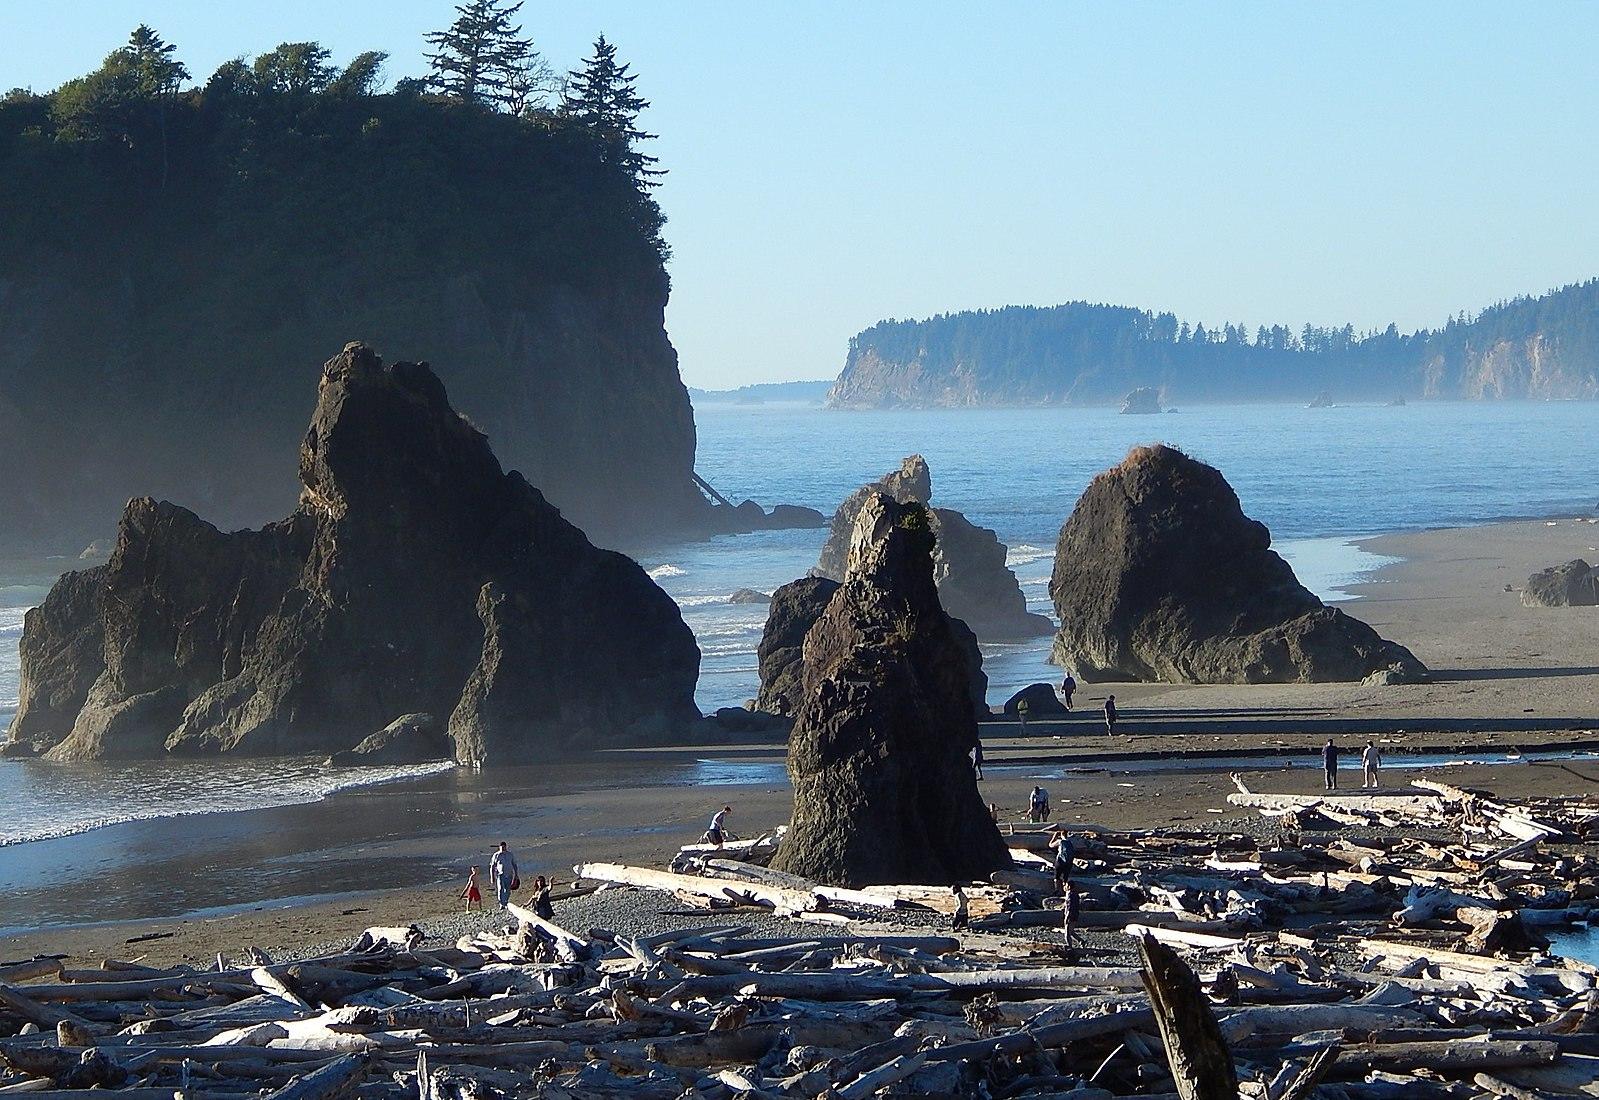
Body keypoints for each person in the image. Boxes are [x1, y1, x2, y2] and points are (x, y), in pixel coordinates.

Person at [489, 842, 519, 909]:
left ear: (506, 847)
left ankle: (506, 901)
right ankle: (501, 903)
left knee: (508, 889)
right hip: (500, 874)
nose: (503, 848)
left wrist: (516, 874)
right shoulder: (496, 855)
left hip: (509, 874)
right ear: (499, 847)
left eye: (504, 847)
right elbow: (492, 866)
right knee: (500, 889)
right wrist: (492, 877)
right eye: (501, 847)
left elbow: (514, 864)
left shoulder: (510, 854)